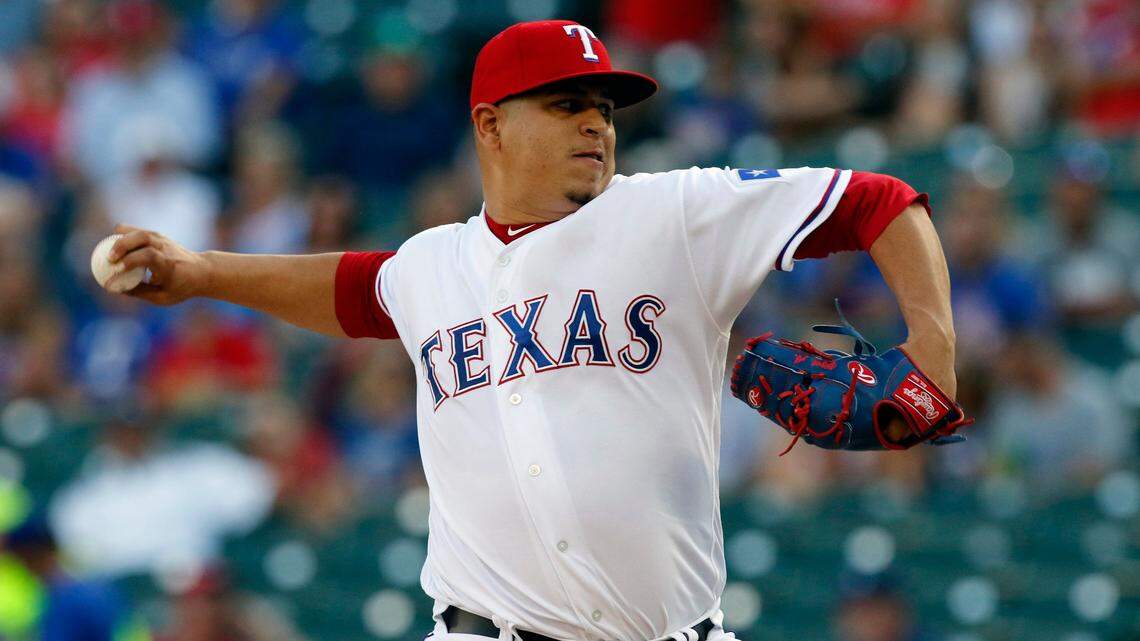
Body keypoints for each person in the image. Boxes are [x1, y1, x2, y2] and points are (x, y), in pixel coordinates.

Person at [104, 20, 960, 641]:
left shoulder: (674, 211)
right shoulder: (430, 264)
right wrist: (203, 273)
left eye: (605, 107)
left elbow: (881, 201)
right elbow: (358, 290)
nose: (598, 122)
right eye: (567, 103)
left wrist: (933, 356)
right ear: (490, 126)